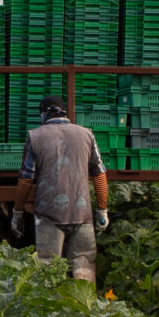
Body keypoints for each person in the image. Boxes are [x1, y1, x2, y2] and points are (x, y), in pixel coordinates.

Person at [14, 97, 109, 283]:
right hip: (82, 212)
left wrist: (17, 212)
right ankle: (85, 306)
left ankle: (50, 307)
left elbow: (26, 180)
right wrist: (102, 210)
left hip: (49, 214)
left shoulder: (36, 136)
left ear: (43, 114)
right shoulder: (86, 134)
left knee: (48, 266)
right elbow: (99, 175)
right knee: (84, 264)